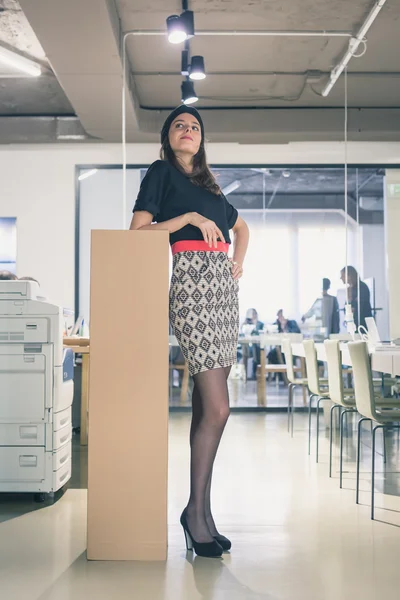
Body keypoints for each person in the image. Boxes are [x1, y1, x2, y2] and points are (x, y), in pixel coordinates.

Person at [130, 105, 249, 558]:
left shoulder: (211, 187)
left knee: (206, 409)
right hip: (192, 287)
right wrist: (186, 221)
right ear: (168, 136)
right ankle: (194, 513)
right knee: (219, 408)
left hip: (223, 292)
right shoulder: (161, 173)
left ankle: (201, 512)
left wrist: (239, 260)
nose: (188, 131)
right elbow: (138, 232)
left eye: (195, 127)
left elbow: (243, 228)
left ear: (202, 140)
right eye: (180, 125)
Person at [240, 308, 264, 379]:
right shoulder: (245, 324)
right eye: (251, 314)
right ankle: (246, 375)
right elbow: (243, 334)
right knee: (246, 349)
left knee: (256, 348)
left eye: (254, 314)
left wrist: (255, 324)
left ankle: (256, 373)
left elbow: (260, 334)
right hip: (248, 346)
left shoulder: (260, 324)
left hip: (257, 346)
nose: (252, 316)